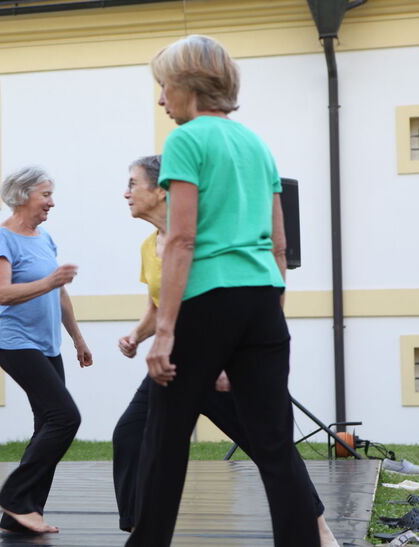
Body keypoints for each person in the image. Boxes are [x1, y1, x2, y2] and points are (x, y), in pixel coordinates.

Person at [126, 35, 321, 546]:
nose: (162, 99)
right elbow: (280, 246)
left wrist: (163, 332)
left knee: (165, 440)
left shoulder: (186, 142)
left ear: (187, 85)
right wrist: (266, 320)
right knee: (275, 444)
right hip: (261, 300)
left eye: (164, 86)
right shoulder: (257, 144)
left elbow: (182, 238)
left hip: (208, 299)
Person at [114, 156, 338, 545]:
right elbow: (157, 304)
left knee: (268, 448)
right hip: (173, 364)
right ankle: (139, 530)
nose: (126, 192)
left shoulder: (201, 240)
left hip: (218, 366)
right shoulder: (149, 246)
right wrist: (137, 334)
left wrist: (228, 358)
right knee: (130, 435)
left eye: (133, 183)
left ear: (160, 189)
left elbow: (226, 298)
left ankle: (319, 531)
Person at [0, 166, 93, 535]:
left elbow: (59, 294)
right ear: (22, 195)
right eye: (45, 194)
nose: (51, 202)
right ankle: (15, 498)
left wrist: (77, 339)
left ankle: (22, 516)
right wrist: (49, 280)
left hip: (48, 345)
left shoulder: (44, 237)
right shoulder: (0, 238)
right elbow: (2, 293)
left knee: (46, 424)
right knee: (65, 418)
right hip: (15, 342)